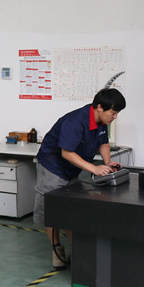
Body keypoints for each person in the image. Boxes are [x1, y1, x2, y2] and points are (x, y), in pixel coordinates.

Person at [34, 88, 126, 269]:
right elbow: (67, 153)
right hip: (53, 167)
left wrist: (108, 162)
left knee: (71, 209)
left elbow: (103, 142)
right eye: (113, 112)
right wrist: (94, 168)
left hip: (72, 169)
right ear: (100, 107)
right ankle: (56, 250)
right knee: (52, 210)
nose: (115, 117)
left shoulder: (101, 121)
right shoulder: (75, 121)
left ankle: (77, 248)